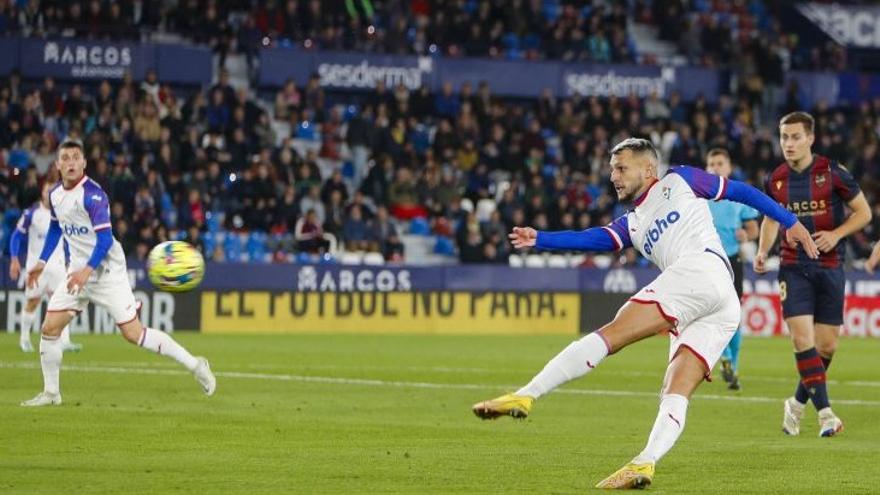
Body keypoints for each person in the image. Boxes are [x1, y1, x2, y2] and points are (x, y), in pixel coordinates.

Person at [472, 138, 817, 489]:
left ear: (648, 168)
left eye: (621, 168)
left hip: (700, 271)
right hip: (721, 302)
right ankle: (645, 463)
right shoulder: (632, 223)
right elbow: (592, 238)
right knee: (675, 387)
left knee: (614, 333)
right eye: (611, 170)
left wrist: (789, 220)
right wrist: (541, 239)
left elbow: (742, 192)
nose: (614, 177)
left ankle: (527, 394)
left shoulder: (680, 179)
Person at [21, 139, 216, 407]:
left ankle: (196, 365)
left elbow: (104, 240)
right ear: (57, 165)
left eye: (75, 157)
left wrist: (86, 272)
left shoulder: (93, 195)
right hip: (78, 274)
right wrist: (42, 261)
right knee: (50, 327)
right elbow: (56, 228)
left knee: (133, 334)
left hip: (107, 272)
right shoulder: (55, 195)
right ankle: (52, 393)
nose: (70, 162)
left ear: (84, 163)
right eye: (65, 158)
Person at [755, 111, 872, 437]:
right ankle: (826, 415)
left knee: (826, 346)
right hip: (793, 267)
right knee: (801, 339)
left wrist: (836, 234)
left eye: (795, 137)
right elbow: (770, 219)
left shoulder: (833, 173)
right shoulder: (774, 179)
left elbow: (864, 212)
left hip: (831, 266)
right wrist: (763, 250)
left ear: (810, 138)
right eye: (784, 137)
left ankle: (795, 403)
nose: (788, 144)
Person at [705, 148, 759, 390]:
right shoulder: (699, 195)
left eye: (720, 163)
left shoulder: (738, 194)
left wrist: (746, 234)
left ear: (728, 167)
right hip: (706, 260)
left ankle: (731, 365)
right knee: (709, 311)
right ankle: (725, 356)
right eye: (712, 164)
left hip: (733, 260)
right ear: (707, 168)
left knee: (734, 316)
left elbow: (754, 229)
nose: (715, 168)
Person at [8, 182, 82, 353]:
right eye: (46, 190)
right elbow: (16, 236)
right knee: (32, 302)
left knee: (65, 303)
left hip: (58, 267)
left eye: (53, 191)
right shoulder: (32, 213)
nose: (49, 193)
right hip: (37, 267)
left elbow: (69, 241)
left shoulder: (64, 214)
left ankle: (65, 341)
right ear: (42, 193)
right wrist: (14, 258)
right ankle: (24, 339)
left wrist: (71, 261)